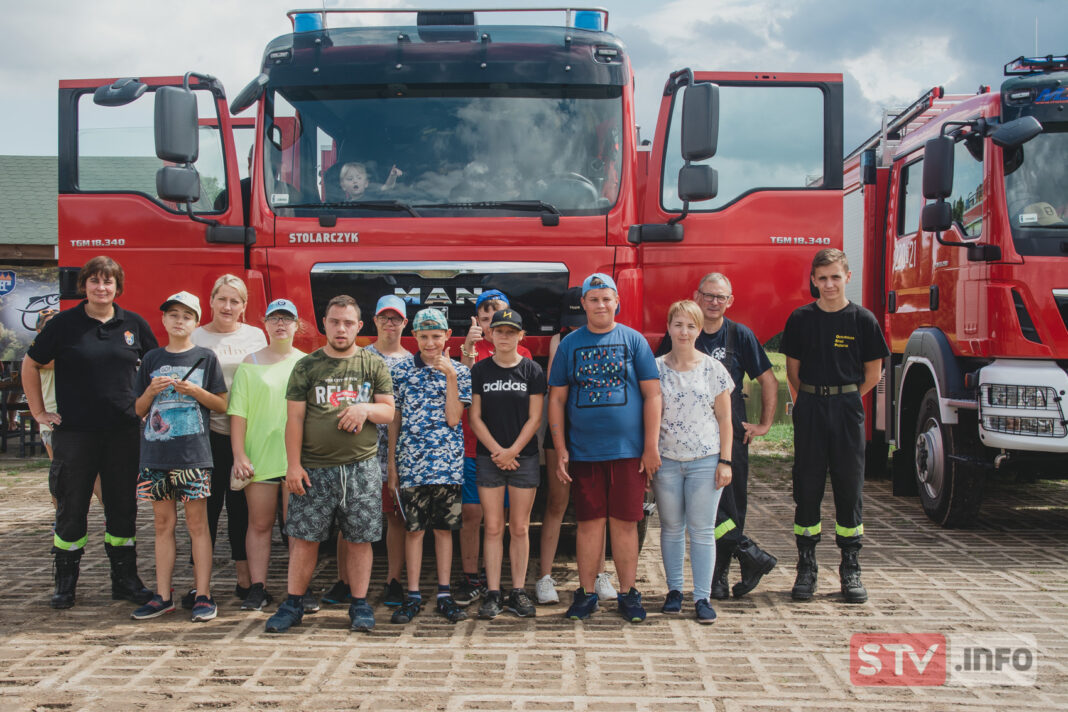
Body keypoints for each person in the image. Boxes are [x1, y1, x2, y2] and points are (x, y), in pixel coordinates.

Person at [23, 256, 158, 610]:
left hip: (123, 433)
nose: (102, 287)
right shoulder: (64, 324)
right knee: (72, 508)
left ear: (118, 287)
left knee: (123, 509)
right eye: (95, 281)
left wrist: (145, 409)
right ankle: (65, 583)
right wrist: (39, 412)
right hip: (76, 435)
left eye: (109, 282)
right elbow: (31, 363)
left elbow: (156, 367)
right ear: (84, 286)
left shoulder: (134, 324)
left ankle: (125, 581)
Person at [265, 295, 395, 633]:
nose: (341, 328)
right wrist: (293, 466)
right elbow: (293, 420)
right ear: (324, 323)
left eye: (348, 323)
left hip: (360, 467)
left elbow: (389, 411)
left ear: (359, 326)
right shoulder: (307, 366)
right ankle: (293, 603)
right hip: (313, 468)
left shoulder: (372, 364)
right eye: (335, 322)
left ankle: (360, 604)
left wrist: (365, 409)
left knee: (360, 538)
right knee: (304, 538)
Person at [655, 272, 779, 599]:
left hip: (727, 436)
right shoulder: (677, 334)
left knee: (730, 505)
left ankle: (720, 575)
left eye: (720, 297)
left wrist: (764, 424)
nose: (713, 302)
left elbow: (768, 380)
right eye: (708, 295)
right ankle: (750, 556)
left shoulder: (740, 335)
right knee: (712, 512)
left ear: (729, 301)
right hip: (680, 444)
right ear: (697, 296)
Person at [547, 273, 661, 623]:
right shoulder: (569, 345)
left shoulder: (634, 341)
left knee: (625, 524)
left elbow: (652, 393)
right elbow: (557, 399)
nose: (600, 305)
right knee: (589, 524)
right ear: (583, 304)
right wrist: (561, 447)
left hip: (628, 452)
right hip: (584, 452)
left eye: (606, 299)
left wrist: (651, 446)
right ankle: (585, 594)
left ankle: (629, 594)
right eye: (593, 299)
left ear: (617, 302)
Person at [781, 248, 888, 604]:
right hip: (810, 405)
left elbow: (874, 373)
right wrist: (811, 400)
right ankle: (806, 566)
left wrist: (845, 397)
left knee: (849, 485)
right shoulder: (800, 319)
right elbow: (792, 372)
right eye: (822, 278)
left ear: (847, 278)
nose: (829, 284)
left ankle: (850, 566)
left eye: (835, 277)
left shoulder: (863, 320)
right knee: (807, 485)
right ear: (813, 280)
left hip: (846, 407)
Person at [131, 291, 228, 622]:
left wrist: (196, 392)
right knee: (162, 523)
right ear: (163, 320)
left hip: (194, 455)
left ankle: (203, 594)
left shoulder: (206, 357)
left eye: (186, 316)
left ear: (196, 322)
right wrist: (150, 391)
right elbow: (138, 409)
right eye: (173, 314)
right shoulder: (152, 359)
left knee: (198, 524)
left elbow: (223, 405)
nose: (179, 320)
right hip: (155, 454)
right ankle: (162, 595)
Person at [321, 294, 412, 607]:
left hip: (397, 452)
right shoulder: (358, 356)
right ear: (373, 321)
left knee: (395, 518)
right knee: (348, 519)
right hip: (358, 448)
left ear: (404, 323)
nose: (390, 323)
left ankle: (393, 581)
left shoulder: (411, 362)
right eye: (384, 317)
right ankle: (344, 580)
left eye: (396, 318)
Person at [387, 308, 472, 625]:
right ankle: (412, 595)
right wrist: (393, 466)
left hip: (447, 466)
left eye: (437, 336)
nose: (430, 342)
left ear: (448, 336)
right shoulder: (400, 371)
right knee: (414, 531)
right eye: (424, 336)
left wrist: (450, 373)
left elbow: (453, 418)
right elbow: (394, 421)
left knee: (443, 531)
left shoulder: (461, 373)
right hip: (411, 464)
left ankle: (444, 594)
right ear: (415, 337)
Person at [188, 274, 267, 610]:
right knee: (204, 511)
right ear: (211, 302)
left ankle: (244, 580)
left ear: (244, 307)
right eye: (222, 299)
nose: (228, 306)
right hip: (204, 435)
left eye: (235, 301)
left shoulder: (255, 336)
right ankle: (199, 585)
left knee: (241, 511)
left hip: (245, 436)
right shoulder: (196, 335)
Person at [653, 300, 734, 623]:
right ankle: (674, 591)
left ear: (699, 330)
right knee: (672, 529)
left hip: (705, 460)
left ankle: (702, 596)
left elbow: (726, 420)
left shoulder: (713, 369)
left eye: (691, 326)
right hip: (667, 461)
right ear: (669, 328)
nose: (684, 331)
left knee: (701, 531)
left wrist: (725, 461)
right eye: (678, 324)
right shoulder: (655, 368)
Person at [536, 287, 617, 605]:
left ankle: (600, 573)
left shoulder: (605, 338)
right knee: (557, 504)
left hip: (590, 431)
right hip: (562, 429)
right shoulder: (562, 340)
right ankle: (545, 576)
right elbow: (560, 383)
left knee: (596, 510)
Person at [454, 289, 532, 606]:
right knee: (473, 515)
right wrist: (469, 348)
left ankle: (499, 580)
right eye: (484, 318)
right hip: (475, 447)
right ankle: (472, 576)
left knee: (504, 519)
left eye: (497, 316)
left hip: (512, 451)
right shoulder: (468, 351)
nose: (490, 323)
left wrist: (510, 449)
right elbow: (462, 388)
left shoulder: (522, 352)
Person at [228, 298, 305, 612]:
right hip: (258, 458)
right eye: (275, 319)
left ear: (297, 326)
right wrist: (238, 454)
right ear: (265, 324)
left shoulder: (306, 363)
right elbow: (238, 413)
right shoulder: (251, 363)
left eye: (287, 319)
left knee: (296, 528)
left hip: (293, 459)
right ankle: (258, 587)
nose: (281, 325)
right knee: (259, 525)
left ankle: (297, 589)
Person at [469, 309, 545, 619]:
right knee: (493, 527)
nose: (504, 336)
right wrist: (498, 451)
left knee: (520, 527)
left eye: (510, 331)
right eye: (499, 330)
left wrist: (513, 450)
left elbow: (535, 417)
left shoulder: (532, 371)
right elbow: (474, 417)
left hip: (524, 458)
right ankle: (493, 592)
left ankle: (517, 591)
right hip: (489, 458)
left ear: (520, 336)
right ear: (491, 334)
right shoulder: (480, 370)